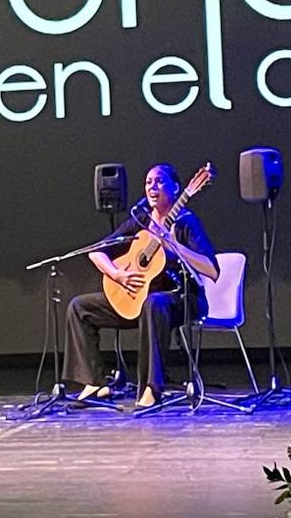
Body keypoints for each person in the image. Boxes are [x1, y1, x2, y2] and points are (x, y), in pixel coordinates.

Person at [62, 163, 219, 408]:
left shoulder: (186, 222)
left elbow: (211, 269)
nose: (151, 187)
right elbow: (97, 252)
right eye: (148, 182)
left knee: (153, 303)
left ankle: (151, 388)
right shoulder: (141, 220)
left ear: (176, 188)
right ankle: (94, 383)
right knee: (80, 307)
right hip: (140, 298)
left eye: (158, 181)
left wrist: (174, 245)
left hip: (180, 299)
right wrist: (117, 275)